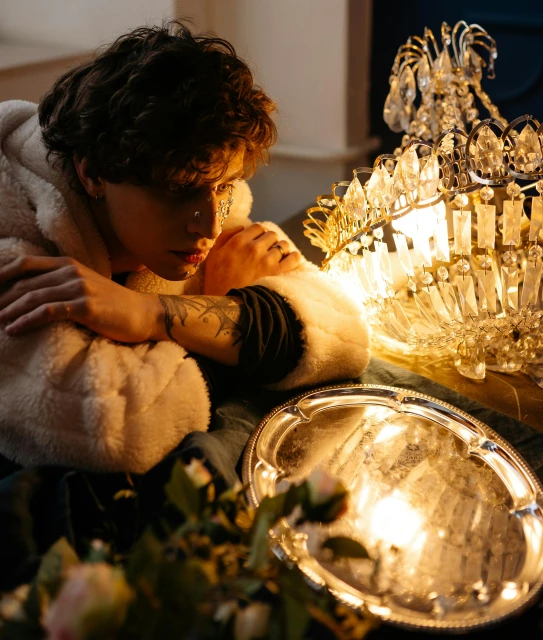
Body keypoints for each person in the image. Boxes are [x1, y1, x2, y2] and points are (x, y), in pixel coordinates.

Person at [0, 23, 370, 474]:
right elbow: (113, 429)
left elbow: (344, 333)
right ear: (93, 174)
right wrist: (225, 321)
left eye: (225, 186)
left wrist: (154, 313)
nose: (209, 225)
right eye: (178, 191)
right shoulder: (14, 236)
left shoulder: (209, 190)